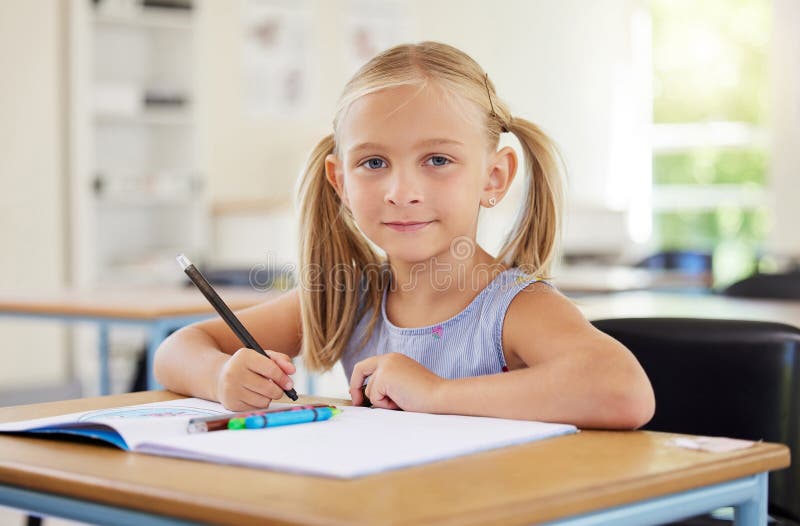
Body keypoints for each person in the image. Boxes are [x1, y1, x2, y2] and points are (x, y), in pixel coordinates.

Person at [155, 41, 655, 429]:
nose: (401, 191)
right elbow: (178, 349)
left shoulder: (514, 309)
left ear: (494, 177)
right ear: (341, 182)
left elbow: (624, 391)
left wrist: (435, 396)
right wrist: (222, 379)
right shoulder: (351, 298)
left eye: (437, 160)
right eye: (373, 163)